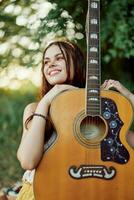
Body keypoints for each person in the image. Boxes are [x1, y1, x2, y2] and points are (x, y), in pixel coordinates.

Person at [2, 40, 133, 200]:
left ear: (76, 62)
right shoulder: (35, 109)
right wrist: (46, 101)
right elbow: (28, 161)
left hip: (97, 192)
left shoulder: (100, 110)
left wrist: (127, 97)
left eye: (59, 58)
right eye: (46, 62)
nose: (51, 64)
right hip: (46, 193)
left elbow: (126, 144)